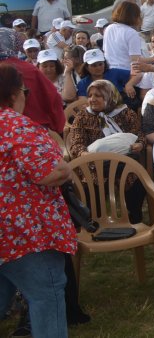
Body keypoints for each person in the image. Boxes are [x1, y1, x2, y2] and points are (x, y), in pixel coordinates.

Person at [0, 63, 76, 338]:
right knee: (46, 292)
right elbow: (53, 171)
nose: (26, 96)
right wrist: (65, 168)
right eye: (25, 91)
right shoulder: (16, 126)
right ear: (12, 93)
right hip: (24, 233)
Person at [65, 80, 145, 222]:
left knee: (133, 178)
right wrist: (84, 154)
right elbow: (76, 143)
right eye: (90, 95)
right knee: (90, 182)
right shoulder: (83, 116)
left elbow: (139, 134)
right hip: (94, 163)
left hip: (123, 160)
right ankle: (96, 219)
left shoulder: (125, 113)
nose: (92, 99)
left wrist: (139, 144)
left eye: (98, 95)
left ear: (110, 96)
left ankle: (135, 216)